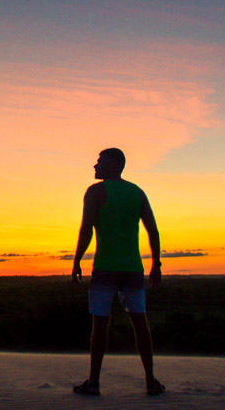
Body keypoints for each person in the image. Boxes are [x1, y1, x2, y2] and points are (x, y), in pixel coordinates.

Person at [71, 148, 165, 396]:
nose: (95, 166)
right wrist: (156, 264)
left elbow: (86, 230)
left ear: (113, 165)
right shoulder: (137, 192)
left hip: (105, 268)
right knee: (140, 323)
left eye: (100, 162)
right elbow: (152, 231)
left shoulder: (95, 192)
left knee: (100, 326)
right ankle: (150, 382)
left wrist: (77, 259)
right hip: (133, 268)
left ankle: (93, 383)